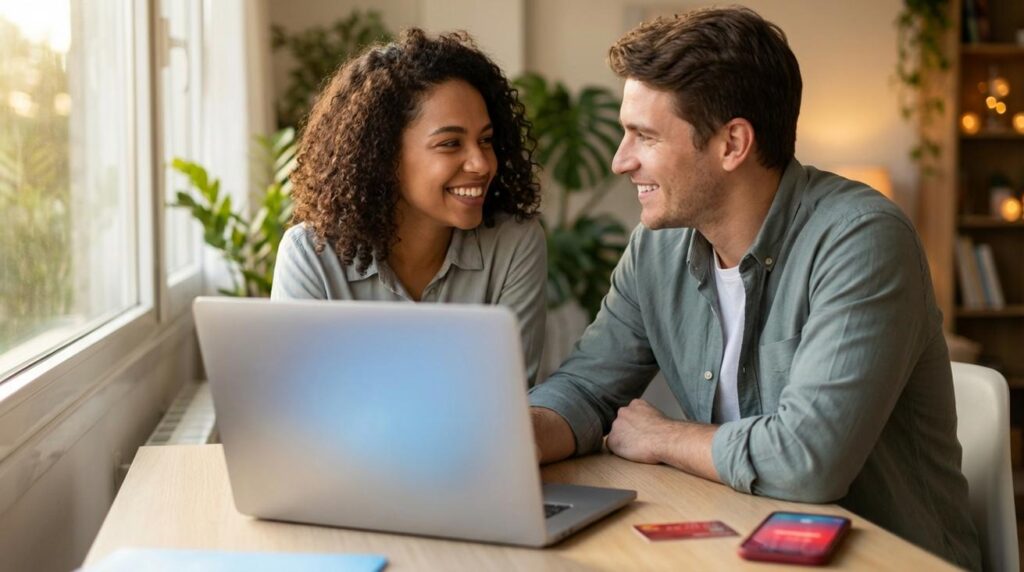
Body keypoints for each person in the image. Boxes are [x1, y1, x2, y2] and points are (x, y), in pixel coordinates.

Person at [527, 7, 981, 569]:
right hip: (745, 547)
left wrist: (665, 437)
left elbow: (808, 460)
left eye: (644, 135)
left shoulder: (861, 240)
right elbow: (587, 387)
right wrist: (513, 438)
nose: (621, 161)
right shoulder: (656, 250)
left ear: (732, 144)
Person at [272, 29, 547, 385]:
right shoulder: (310, 255)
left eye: (486, 140)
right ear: (384, 155)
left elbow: (507, 395)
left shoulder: (514, 245)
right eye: (450, 143)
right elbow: (299, 400)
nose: (481, 164)